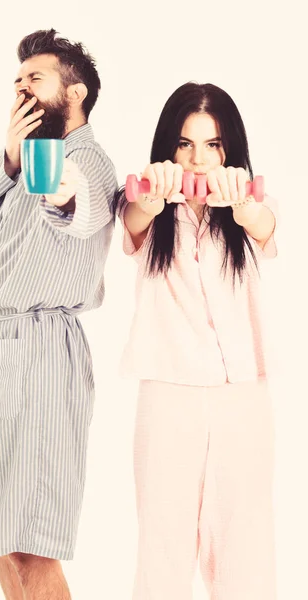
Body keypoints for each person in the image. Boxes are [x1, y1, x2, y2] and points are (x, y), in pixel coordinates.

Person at [0, 29, 117, 600]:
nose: (20, 87)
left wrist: (59, 191)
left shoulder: (87, 160)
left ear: (77, 91)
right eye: (16, 79)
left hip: (40, 358)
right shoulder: (18, 166)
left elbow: (82, 206)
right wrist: (9, 163)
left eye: (34, 77)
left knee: (33, 539)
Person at [115, 82, 279, 600]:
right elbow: (133, 218)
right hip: (169, 391)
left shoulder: (248, 201)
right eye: (185, 144)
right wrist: (153, 197)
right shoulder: (147, 195)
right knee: (163, 550)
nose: (199, 158)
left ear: (229, 148)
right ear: (169, 146)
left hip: (241, 394)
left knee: (245, 551)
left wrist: (240, 206)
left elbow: (265, 225)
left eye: (212, 145)